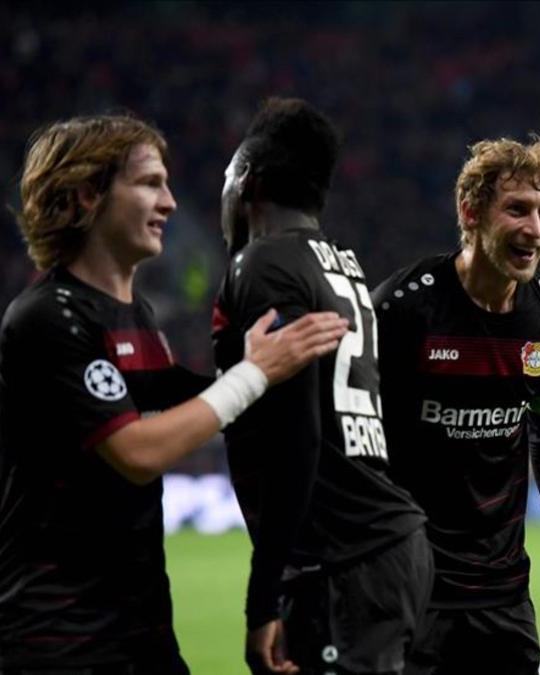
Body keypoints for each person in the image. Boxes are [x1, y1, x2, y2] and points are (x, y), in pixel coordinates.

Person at [0, 114, 346, 674]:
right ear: (85, 195)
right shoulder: (47, 316)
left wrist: (276, 372)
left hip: (136, 631)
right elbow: (138, 453)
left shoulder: (136, 315)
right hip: (46, 639)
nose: (170, 202)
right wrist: (255, 375)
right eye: (149, 183)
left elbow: (202, 404)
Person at [211, 97, 432, 675]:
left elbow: (298, 437)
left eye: (227, 177)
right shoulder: (338, 263)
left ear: (247, 181)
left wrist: (262, 598)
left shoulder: (263, 263)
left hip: (342, 563)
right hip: (381, 546)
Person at [372, 135, 540, 675]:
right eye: (517, 209)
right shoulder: (405, 309)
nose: (535, 230)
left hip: (504, 601)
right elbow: (357, 447)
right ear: (471, 212)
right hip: (410, 594)